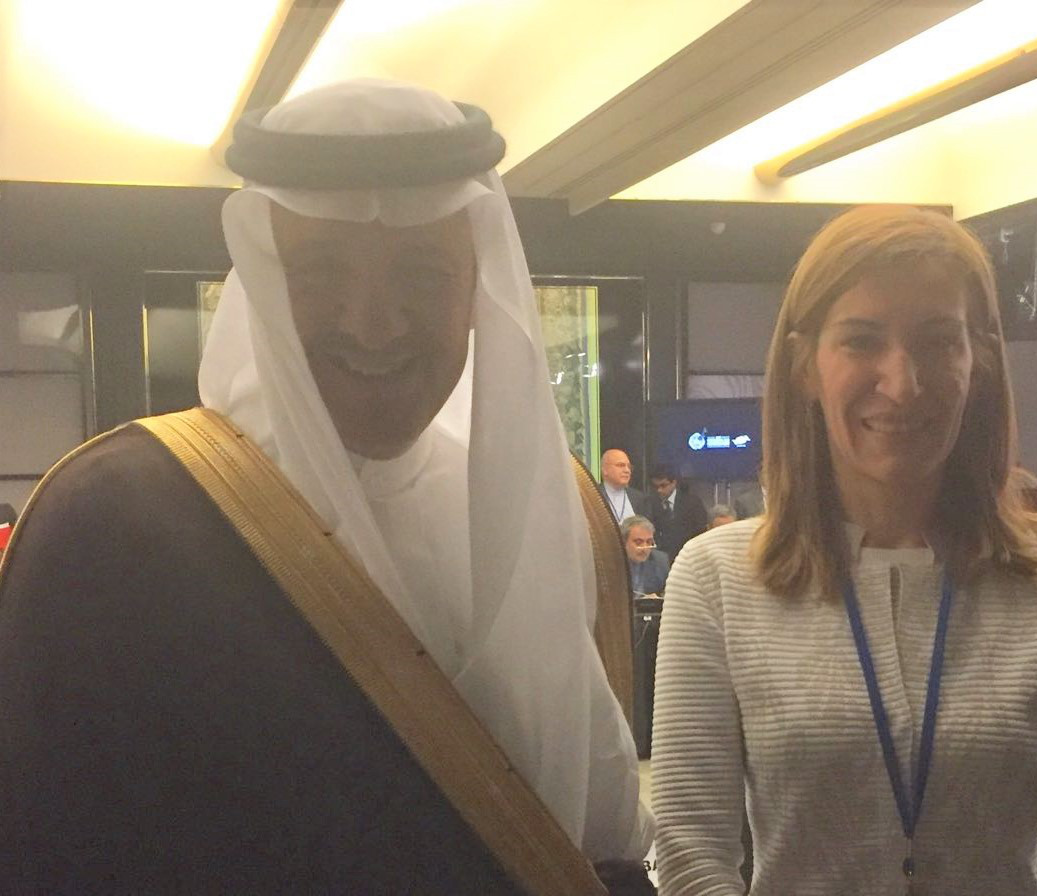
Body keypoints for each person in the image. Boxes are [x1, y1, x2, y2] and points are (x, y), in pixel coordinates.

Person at [0, 79, 652, 893]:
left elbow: (598, 846)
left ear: (475, 290)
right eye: (319, 272)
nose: (372, 323)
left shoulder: (558, 512)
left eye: (422, 273)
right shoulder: (115, 523)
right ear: (264, 283)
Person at [651, 205, 1037, 894]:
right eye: (862, 341)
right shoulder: (717, 579)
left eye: (937, 341)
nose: (902, 383)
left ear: (978, 359)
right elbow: (691, 857)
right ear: (805, 365)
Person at [645, 465, 707, 561]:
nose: (659, 490)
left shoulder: (693, 503)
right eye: (655, 486)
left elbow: (700, 531)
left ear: (674, 482)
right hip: (660, 557)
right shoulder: (649, 503)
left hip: (688, 555)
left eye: (663, 485)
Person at [621, 515, 670, 597]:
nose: (645, 548)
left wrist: (658, 599)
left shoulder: (660, 561)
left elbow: (669, 593)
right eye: (638, 542)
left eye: (649, 542)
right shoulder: (610, 562)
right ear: (623, 542)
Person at [601, 448, 647, 524]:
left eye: (629, 467)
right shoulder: (593, 495)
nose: (627, 470)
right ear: (605, 470)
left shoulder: (640, 499)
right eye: (620, 465)